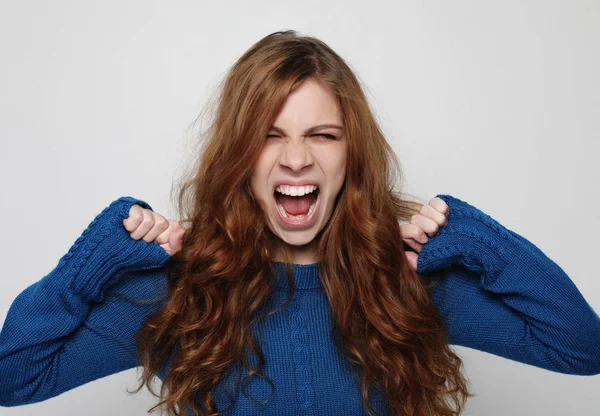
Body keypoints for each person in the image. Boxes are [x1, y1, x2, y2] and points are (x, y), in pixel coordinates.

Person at [1, 30, 599, 416]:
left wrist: (478, 241)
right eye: (269, 137)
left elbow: (582, 347)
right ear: (239, 155)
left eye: (323, 135)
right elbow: (12, 379)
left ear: (351, 155)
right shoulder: (181, 294)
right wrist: (85, 271)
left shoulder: (406, 283)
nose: (295, 158)